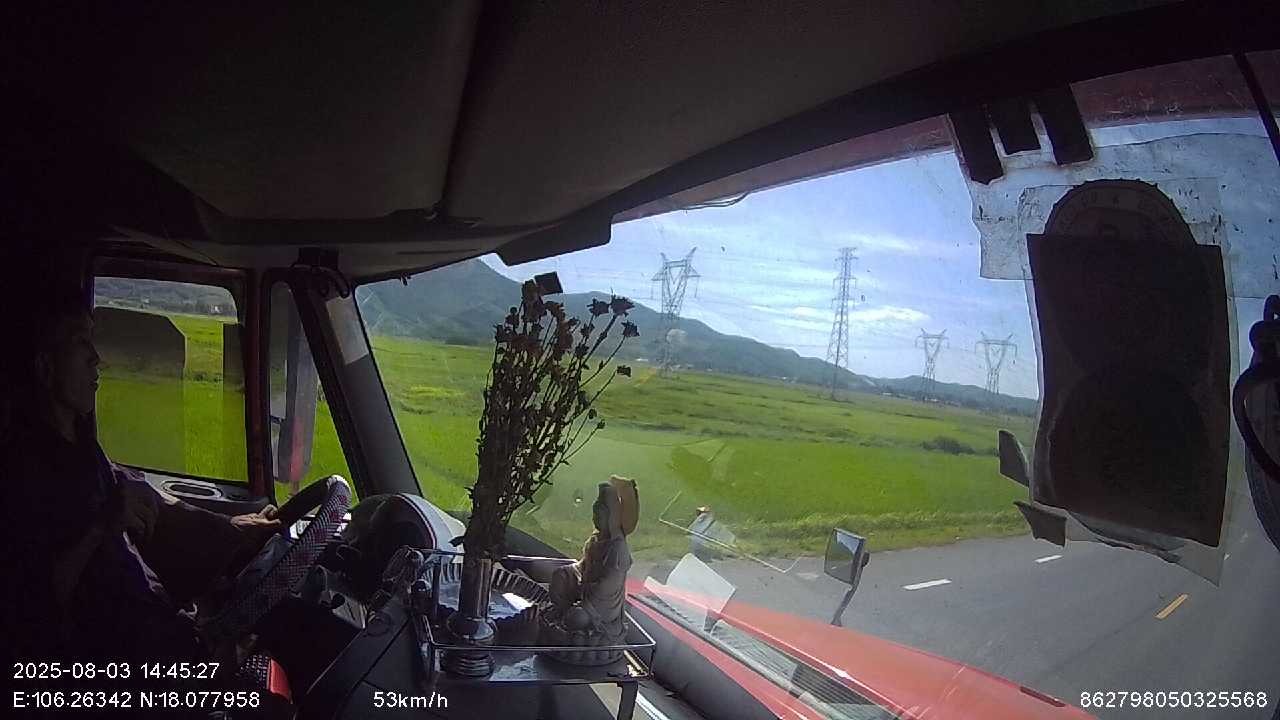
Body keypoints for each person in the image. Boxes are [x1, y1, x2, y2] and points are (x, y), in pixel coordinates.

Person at [0, 291, 280, 668]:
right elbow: (34, 606)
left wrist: (232, 529)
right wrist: (101, 526)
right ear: (45, 367)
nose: (96, 357)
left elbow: (156, 504)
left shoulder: (85, 448)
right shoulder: (22, 472)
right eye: (80, 342)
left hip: (163, 633)